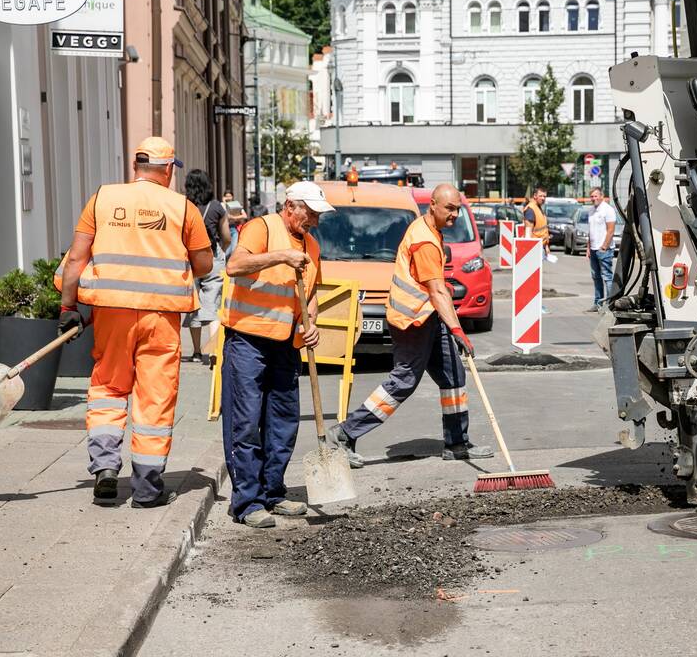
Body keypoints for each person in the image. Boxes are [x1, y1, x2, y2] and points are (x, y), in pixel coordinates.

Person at [56, 137, 214, 507]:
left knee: (108, 388)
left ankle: (106, 468)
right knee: (154, 397)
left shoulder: (102, 198)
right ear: (168, 169)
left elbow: (76, 260)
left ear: (136, 167)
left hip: (110, 313)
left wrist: (67, 310)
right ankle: (146, 487)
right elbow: (204, 265)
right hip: (161, 316)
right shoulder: (183, 208)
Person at [329, 184, 493, 467]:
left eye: (457, 209)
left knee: (453, 375)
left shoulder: (428, 229)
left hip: (429, 316)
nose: (454, 214)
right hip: (412, 320)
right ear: (433, 205)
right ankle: (345, 433)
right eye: (449, 209)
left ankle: (456, 442)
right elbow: (437, 291)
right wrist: (458, 330)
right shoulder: (425, 240)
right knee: (403, 381)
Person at [219, 181, 333, 528]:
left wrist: (311, 322)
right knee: (246, 421)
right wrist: (281, 256)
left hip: (287, 343)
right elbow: (235, 265)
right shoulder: (262, 228)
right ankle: (247, 501)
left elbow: (311, 292)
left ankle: (273, 491)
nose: (313, 219)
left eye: (317, 214)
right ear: (290, 206)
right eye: (309, 212)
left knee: (282, 422)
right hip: (248, 339)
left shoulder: (311, 246)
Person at [183, 170, 230, 365]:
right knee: (213, 304)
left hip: (188, 259)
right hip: (212, 257)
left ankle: (195, 352)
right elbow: (226, 236)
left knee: (193, 306)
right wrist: (221, 250)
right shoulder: (217, 207)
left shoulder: (183, 207)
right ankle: (214, 352)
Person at [585, 187, 617, 312]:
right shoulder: (591, 211)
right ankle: (598, 303)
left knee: (607, 277)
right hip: (593, 249)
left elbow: (611, 230)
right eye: (592, 196)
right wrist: (588, 248)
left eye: (595, 196)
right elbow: (590, 231)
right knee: (596, 276)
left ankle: (609, 304)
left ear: (601, 196)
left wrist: (604, 246)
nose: (594, 198)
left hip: (604, 249)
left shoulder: (608, 210)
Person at [523, 187, 556, 263]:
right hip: (534, 247)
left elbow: (543, 230)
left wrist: (546, 246)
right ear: (535, 196)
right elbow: (528, 233)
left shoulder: (538, 208)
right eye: (541, 196)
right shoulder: (531, 209)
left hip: (540, 246)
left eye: (544, 196)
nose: (543, 198)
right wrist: (528, 249)